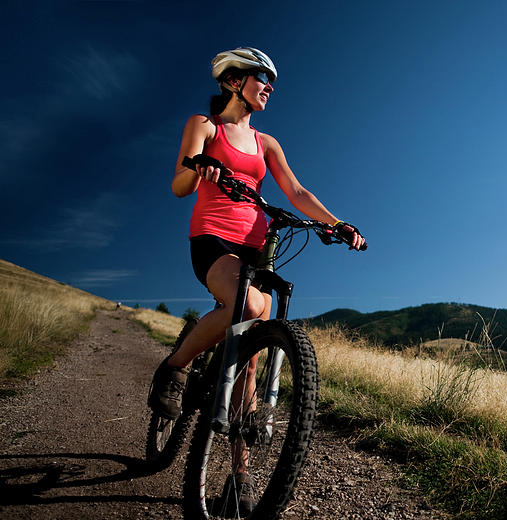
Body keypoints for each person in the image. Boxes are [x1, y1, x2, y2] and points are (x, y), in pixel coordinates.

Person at [148, 47, 365, 422]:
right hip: (212, 238)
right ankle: (174, 367)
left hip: (256, 246)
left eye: (271, 83)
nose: (269, 88)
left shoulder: (267, 144)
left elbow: (296, 193)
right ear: (234, 81)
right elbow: (179, 186)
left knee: (250, 355)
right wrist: (200, 166)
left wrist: (337, 223)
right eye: (263, 79)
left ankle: (242, 472)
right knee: (246, 307)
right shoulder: (205, 125)